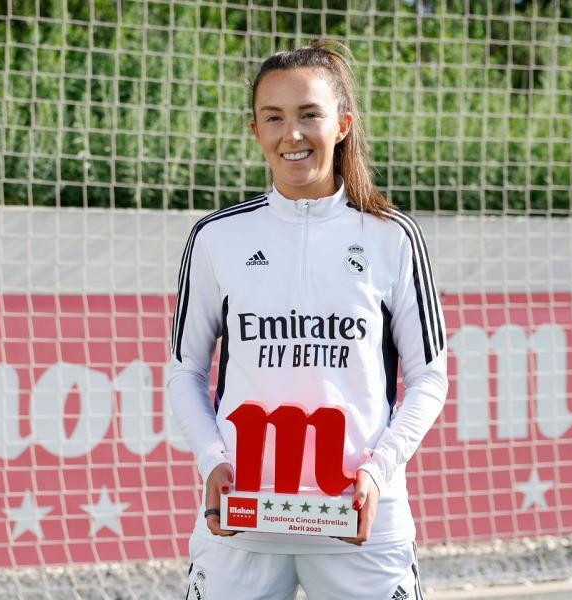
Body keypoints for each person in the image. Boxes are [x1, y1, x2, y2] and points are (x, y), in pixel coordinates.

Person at [167, 39, 448, 600]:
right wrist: (211, 462)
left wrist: (377, 471)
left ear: (343, 123)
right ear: (255, 131)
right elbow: (185, 371)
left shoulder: (392, 237)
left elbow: (429, 377)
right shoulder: (217, 237)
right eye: (273, 117)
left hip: (360, 524)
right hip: (242, 519)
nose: (290, 134)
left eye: (308, 115)